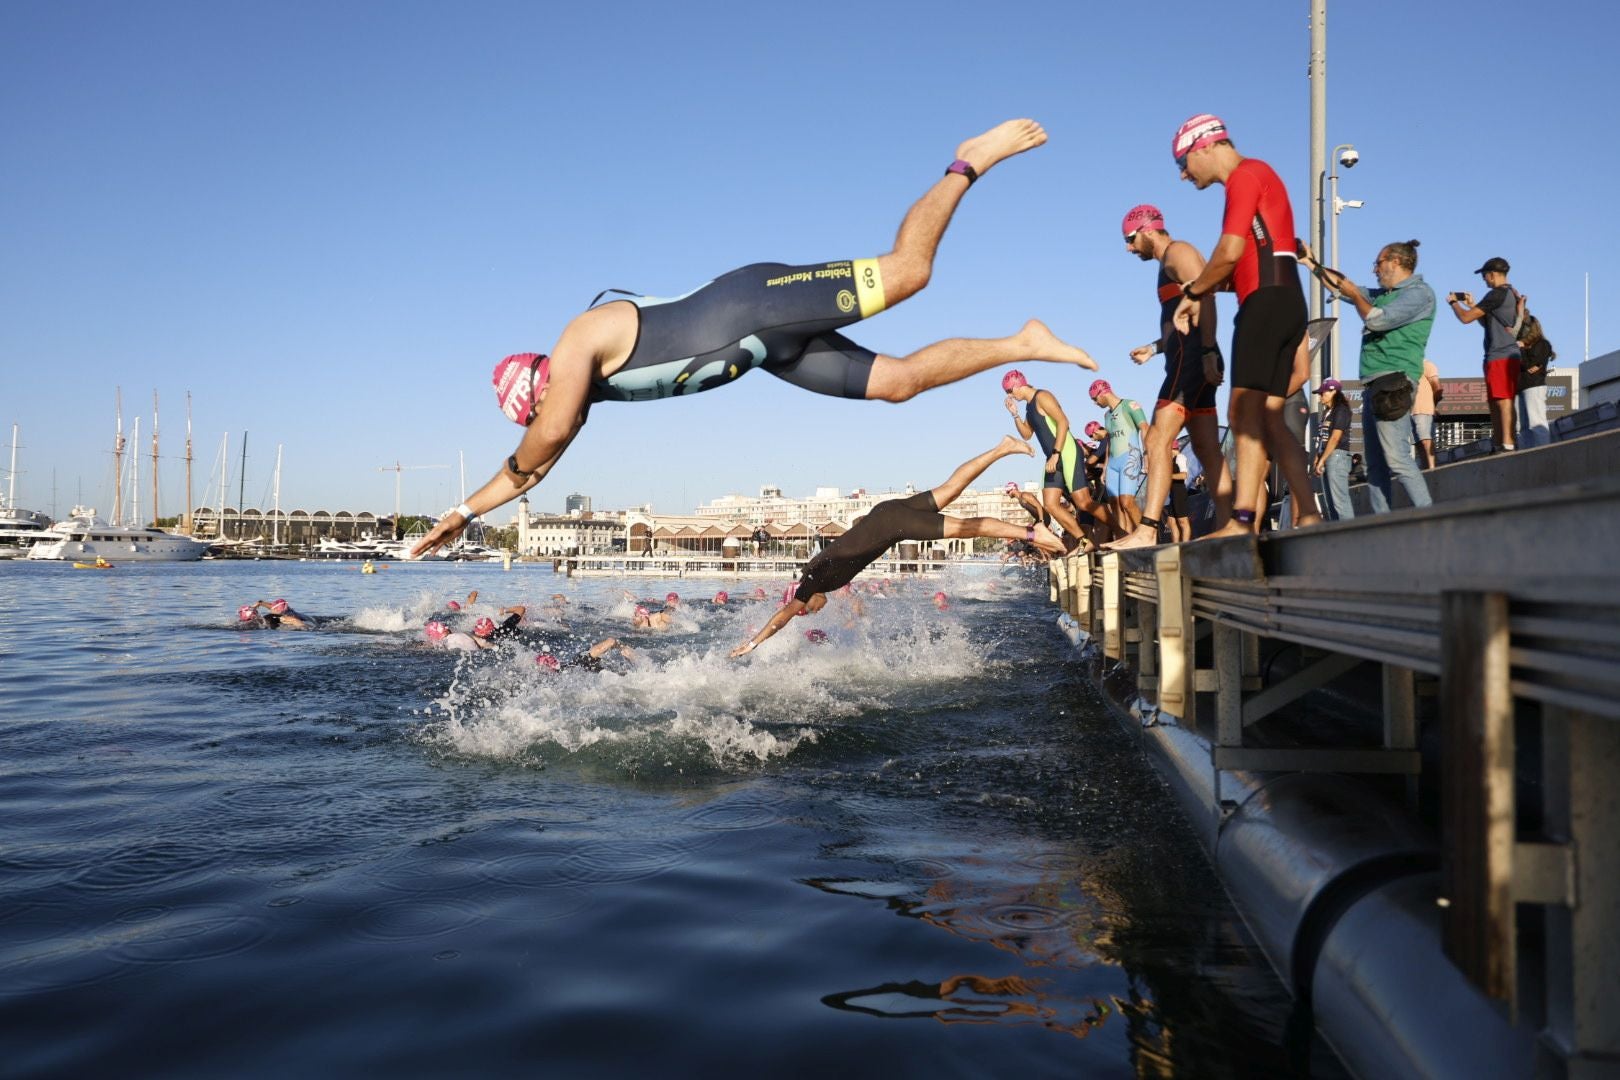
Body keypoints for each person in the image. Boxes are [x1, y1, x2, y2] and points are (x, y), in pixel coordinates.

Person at [411, 119, 1098, 557]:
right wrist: (463, 513)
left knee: (910, 271)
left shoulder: (575, 345)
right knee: (901, 384)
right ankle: (1021, 342)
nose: (548, 418)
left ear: (537, 386)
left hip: (756, 305)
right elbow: (537, 461)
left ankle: (967, 162)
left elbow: (544, 446)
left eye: (536, 409)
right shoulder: (580, 394)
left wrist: (492, 486)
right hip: (771, 354)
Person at [731, 438, 1064, 656]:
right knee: (950, 489)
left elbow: (784, 615)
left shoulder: (812, 579)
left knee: (966, 526)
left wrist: (753, 642)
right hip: (885, 514)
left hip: (892, 524)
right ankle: (1003, 448)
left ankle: (1033, 533)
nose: (815, 610)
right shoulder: (817, 571)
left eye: (810, 608)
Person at [1170, 114, 1319, 538]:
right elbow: (1255, 257)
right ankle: (1308, 513)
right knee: (1270, 418)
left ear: (1203, 147)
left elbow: (1230, 249)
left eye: (1182, 163)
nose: (1183, 175)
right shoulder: (1258, 176)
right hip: (1287, 301)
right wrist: (1205, 284)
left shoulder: (1244, 175)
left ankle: (1241, 522)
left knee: (1241, 412)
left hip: (1266, 306)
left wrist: (1196, 292)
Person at [1111, 204, 1234, 548]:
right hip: (1188, 356)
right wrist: (1153, 348)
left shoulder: (1177, 253)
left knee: (1156, 441)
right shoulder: (1165, 265)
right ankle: (1231, 525)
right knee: (1208, 448)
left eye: (1130, 239)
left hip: (1192, 359)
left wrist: (1208, 349)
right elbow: (1183, 315)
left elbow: (1206, 296)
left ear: (1148, 230)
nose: (1129, 247)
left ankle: (1148, 528)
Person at [1301, 239, 1435, 513]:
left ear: (1396, 262)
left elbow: (1375, 319)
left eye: (1378, 263)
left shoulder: (1419, 294)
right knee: (1375, 465)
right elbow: (1344, 289)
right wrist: (1311, 263)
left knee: (1397, 457)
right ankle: (1381, 523)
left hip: (1395, 382)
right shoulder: (1386, 293)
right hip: (1375, 385)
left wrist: (1355, 293)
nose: (1374, 269)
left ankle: (1430, 515)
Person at [1002, 370, 1109, 545]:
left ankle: (1119, 527)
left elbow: (1063, 422)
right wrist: (1015, 414)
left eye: (1009, 391)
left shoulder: (1042, 396)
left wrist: (1056, 453)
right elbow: (1027, 434)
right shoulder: (1029, 408)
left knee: (1083, 503)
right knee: (1051, 505)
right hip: (1053, 458)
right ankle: (1084, 541)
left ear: (1017, 385)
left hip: (1066, 452)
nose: (1009, 395)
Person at [1449, 256, 1521, 453]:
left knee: (1503, 400)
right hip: (1500, 354)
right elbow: (1486, 322)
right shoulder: (1510, 293)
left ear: (1492, 274)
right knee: (1496, 401)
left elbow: (1465, 319)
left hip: (1501, 354)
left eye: (1484, 276)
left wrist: (1454, 303)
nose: (1483, 280)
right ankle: (1501, 443)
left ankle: (1507, 443)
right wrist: (1473, 305)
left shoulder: (1497, 294)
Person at [1089, 380, 1150, 539]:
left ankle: (1146, 537)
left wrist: (1147, 454)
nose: (1095, 403)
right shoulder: (1107, 415)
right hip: (1113, 464)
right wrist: (1105, 467)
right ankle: (1125, 539)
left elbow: (1145, 428)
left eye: (1095, 399)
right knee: (1115, 506)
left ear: (1102, 393)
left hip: (1130, 457)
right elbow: (1109, 441)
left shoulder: (1130, 405)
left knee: (1127, 503)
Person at [1310, 379, 1354, 520]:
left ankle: (1349, 535)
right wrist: (1318, 456)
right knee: (1330, 504)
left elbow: (1335, 438)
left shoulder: (1341, 410)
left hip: (1337, 457)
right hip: (1328, 457)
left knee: (1340, 503)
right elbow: (1324, 437)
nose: (1320, 396)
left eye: (1323, 393)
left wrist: (1322, 459)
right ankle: (1338, 535)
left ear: (1333, 391)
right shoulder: (1327, 412)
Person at [1516, 310, 1555, 448]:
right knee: (1522, 427)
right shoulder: (1523, 347)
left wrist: (1521, 349)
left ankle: (1542, 452)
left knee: (1536, 422)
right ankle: (1526, 454)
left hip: (1534, 385)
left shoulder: (1542, 344)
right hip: (1521, 387)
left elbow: (1530, 366)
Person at [1411, 358, 1444, 469]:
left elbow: (1438, 389)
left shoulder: (1426, 364)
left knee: (1426, 442)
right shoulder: (1405, 367)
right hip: (1409, 412)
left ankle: (1432, 470)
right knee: (1419, 445)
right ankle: (1426, 472)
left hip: (1423, 410)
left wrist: (1432, 406)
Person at [1167, 440, 1193, 541]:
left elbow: (1184, 475)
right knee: (1171, 521)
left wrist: (1168, 476)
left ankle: (1185, 547)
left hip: (1179, 491)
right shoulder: (1172, 459)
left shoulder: (1180, 458)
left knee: (1183, 521)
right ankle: (1175, 547)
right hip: (1173, 492)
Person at [244, 598, 310, 630]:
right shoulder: (276, 616)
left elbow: (272, 607)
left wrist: (259, 603)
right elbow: (294, 620)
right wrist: (307, 628)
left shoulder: (248, 622)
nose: (270, 608)